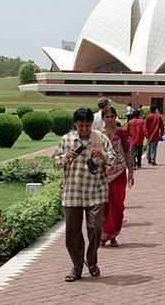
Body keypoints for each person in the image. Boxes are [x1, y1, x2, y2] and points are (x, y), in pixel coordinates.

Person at [52, 108, 118, 282]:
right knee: (72, 233)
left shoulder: (100, 138)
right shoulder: (67, 140)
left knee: (95, 228)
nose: (84, 129)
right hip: (72, 192)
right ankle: (77, 267)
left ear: (91, 124)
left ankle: (92, 260)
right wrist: (67, 156)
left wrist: (102, 156)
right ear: (75, 124)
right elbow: (55, 163)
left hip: (95, 191)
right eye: (80, 125)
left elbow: (113, 160)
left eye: (87, 125)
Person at [99, 107, 135, 247]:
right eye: (107, 116)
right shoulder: (98, 134)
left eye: (112, 116)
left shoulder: (122, 132)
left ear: (116, 117)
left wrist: (130, 171)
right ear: (103, 118)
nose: (110, 119)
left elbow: (127, 151)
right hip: (104, 172)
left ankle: (114, 235)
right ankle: (104, 233)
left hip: (119, 171)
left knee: (118, 205)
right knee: (105, 204)